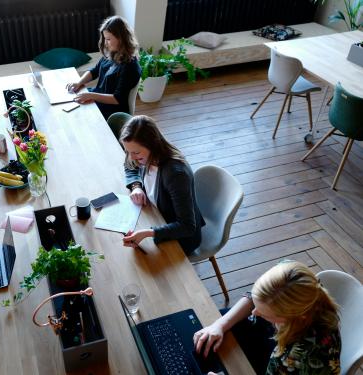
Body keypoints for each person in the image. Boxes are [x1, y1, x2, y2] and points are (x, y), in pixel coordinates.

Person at [193, 261, 341, 375]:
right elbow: (255, 297)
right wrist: (219, 325)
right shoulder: (288, 274)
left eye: (264, 313)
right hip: (268, 337)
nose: (255, 312)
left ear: (293, 317)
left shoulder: (308, 357)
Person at [120, 115, 205, 254]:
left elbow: (187, 227)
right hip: (156, 216)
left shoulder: (175, 175)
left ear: (153, 145)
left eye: (136, 152)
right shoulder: (143, 156)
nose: (131, 157)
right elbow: (129, 165)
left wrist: (148, 233)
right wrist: (136, 186)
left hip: (181, 238)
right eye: (128, 152)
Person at [66, 15, 141, 120]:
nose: (105, 43)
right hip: (99, 98)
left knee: (76, 113)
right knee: (72, 101)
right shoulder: (111, 54)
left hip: (112, 111)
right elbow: (94, 71)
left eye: (108, 39)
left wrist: (91, 95)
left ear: (121, 38)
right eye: (105, 39)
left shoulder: (130, 67)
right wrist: (79, 82)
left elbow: (117, 99)